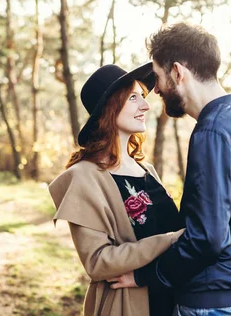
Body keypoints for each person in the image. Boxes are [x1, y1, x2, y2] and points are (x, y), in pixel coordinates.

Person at [109, 23, 231, 316]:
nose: (157, 89)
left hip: (209, 305)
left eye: (158, 77)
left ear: (177, 72)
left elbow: (207, 238)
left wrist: (144, 276)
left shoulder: (212, 132)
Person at [48, 63, 184, 316]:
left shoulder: (147, 170)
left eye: (143, 97)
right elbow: (98, 262)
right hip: (126, 305)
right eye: (134, 97)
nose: (145, 106)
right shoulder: (84, 177)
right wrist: (170, 240)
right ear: (110, 107)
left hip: (170, 299)